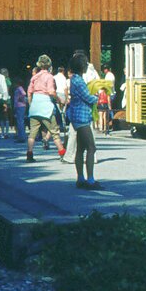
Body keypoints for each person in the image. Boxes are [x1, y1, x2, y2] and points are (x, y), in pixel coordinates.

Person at [66, 50, 101, 188]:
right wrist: (97, 98)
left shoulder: (74, 79)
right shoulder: (79, 81)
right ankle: (90, 179)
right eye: (85, 64)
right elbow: (88, 97)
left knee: (80, 148)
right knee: (91, 147)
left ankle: (80, 178)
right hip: (82, 118)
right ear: (81, 66)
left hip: (77, 117)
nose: (87, 66)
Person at [26, 54, 65, 163]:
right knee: (54, 131)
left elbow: (29, 93)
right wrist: (59, 99)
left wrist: (31, 104)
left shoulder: (34, 77)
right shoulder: (49, 77)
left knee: (32, 133)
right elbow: (51, 92)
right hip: (45, 106)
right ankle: (62, 152)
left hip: (35, 105)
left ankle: (29, 154)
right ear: (49, 65)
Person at [12, 78, 28, 143]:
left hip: (20, 106)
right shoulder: (19, 88)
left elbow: (24, 94)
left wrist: (20, 99)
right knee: (20, 121)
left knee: (20, 122)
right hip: (19, 106)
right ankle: (21, 136)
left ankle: (21, 137)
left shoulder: (19, 88)